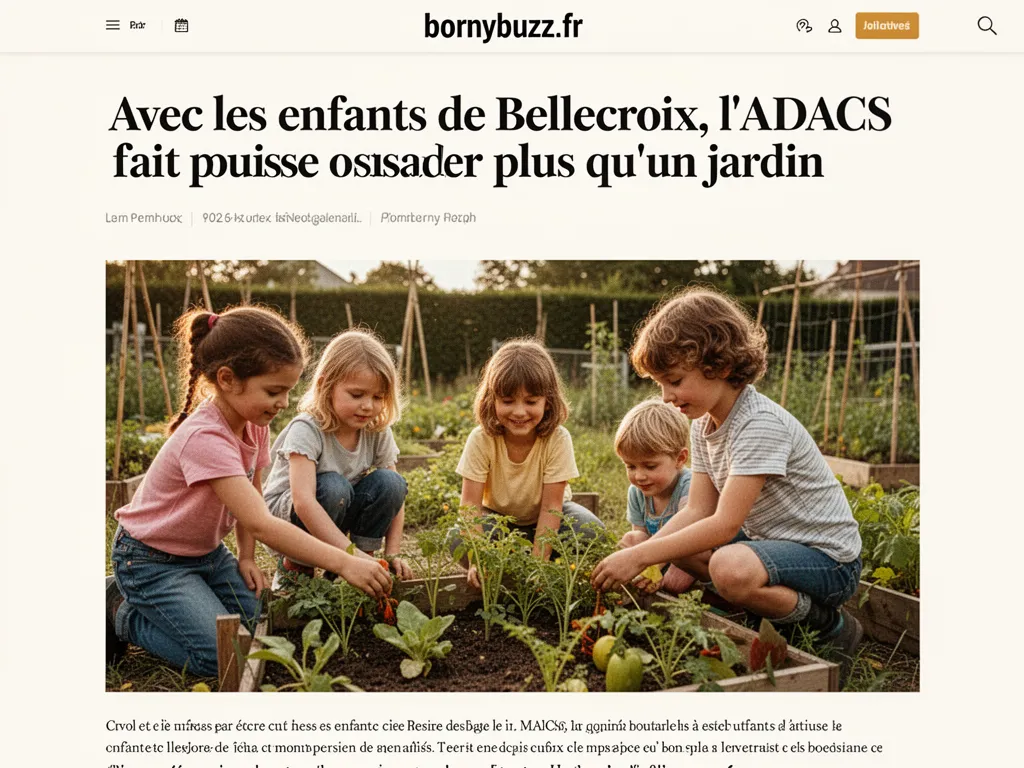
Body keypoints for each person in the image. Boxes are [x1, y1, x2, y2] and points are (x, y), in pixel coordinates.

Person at [590, 288, 864, 682]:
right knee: (683, 553)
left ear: (716, 363)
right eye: (660, 384)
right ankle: (755, 611)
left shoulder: (758, 424)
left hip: (828, 561)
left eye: (674, 381)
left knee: (727, 565)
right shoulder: (703, 426)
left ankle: (830, 625)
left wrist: (641, 558)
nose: (666, 397)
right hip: (772, 550)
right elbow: (697, 510)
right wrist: (648, 551)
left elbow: (723, 525)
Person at [106, 307, 392, 675]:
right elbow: (262, 522)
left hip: (205, 556)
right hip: (150, 561)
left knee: (263, 626)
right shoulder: (204, 437)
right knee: (227, 658)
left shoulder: (253, 423)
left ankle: (172, 601)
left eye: (288, 391)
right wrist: (343, 560)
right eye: (274, 391)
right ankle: (120, 611)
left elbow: (252, 498)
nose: (284, 402)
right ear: (227, 379)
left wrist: (244, 557)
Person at [262, 329, 412, 588]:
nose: (368, 406)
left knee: (391, 482)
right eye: (357, 395)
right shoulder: (307, 429)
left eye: (378, 397)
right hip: (288, 519)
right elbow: (304, 502)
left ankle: (363, 569)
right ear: (325, 386)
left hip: (337, 505)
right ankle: (296, 568)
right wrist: (351, 556)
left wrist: (393, 553)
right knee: (333, 486)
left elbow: (395, 495)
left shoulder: (375, 429)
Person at [452, 338, 603, 587]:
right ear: (492, 400)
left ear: (548, 401)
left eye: (531, 402)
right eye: (508, 401)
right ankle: (501, 564)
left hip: (549, 520)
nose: (519, 412)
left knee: (589, 531)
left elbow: (552, 508)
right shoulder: (481, 439)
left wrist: (537, 566)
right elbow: (469, 506)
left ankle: (535, 560)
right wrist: (478, 557)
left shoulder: (557, 439)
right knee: (458, 538)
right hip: (498, 521)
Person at [614, 398, 696, 595]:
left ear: (680, 458)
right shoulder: (637, 492)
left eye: (650, 466)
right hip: (653, 556)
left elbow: (689, 538)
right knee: (631, 538)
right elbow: (640, 535)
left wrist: (654, 568)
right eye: (631, 466)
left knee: (676, 582)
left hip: (686, 551)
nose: (639, 476)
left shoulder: (690, 485)